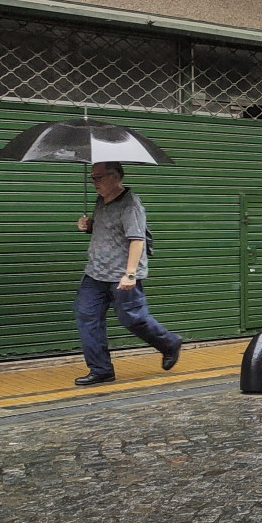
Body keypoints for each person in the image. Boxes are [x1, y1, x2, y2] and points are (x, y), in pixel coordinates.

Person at [73, 162, 181, 385]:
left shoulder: (130, 205)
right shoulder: (101, 201)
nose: (94, 182)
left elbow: (137, 239)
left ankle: (169, 343)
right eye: (92, 178)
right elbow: (109, 230)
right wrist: (89, 225)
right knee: (86, 316)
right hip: (96, 272)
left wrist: (130, 274)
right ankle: (101, 369)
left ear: (115, 177)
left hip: (122, 273)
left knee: (133, 318)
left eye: (98, 178)